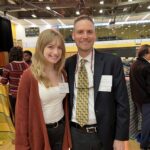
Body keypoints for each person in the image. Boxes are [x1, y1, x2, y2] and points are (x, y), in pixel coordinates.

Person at [65, 15, 129, 150]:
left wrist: (120, 137)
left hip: (105, 135)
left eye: (89, 31)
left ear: (95, 35)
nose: (85, 36)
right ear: (73, 36)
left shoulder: (112, 62)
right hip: (75, 135)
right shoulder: (67, 65)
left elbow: (122, 103)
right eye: (80, 32)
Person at [15, 29, 72, 150]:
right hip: (40, 132)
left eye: (59, 48)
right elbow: (21, 115)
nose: (56, 52)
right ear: (41, 48)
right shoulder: (29, 76)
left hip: (61, 129)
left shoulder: (62, 73)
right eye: (50, 47)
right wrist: (22, 145)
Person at [0, 46, 28, 123]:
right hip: (26, 94)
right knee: (25, 113)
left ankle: (17, 130)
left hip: (13, 95)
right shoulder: (27, 66)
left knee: (15, 114)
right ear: (21, 55)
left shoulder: (9, 66)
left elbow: (3, 82)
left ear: (11, 55)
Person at [130, 44, 150, 149]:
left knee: (146, 121)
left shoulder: (134, 64)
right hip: (146, 100)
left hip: (137, 99)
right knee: (147, 122)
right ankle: (144, 144)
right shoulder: (146, 67)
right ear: (145, 54)